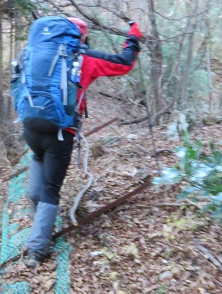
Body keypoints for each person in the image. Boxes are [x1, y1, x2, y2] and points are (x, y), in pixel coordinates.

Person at [21, 17, 142, 266]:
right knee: (51, 190)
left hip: (30, 127)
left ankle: (39, 227)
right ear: (82, 37)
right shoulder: (83, 59)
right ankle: (37, 249)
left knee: (37, 167)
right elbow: (125, 64)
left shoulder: (36, 53)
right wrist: (134, 36)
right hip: (61, 134)